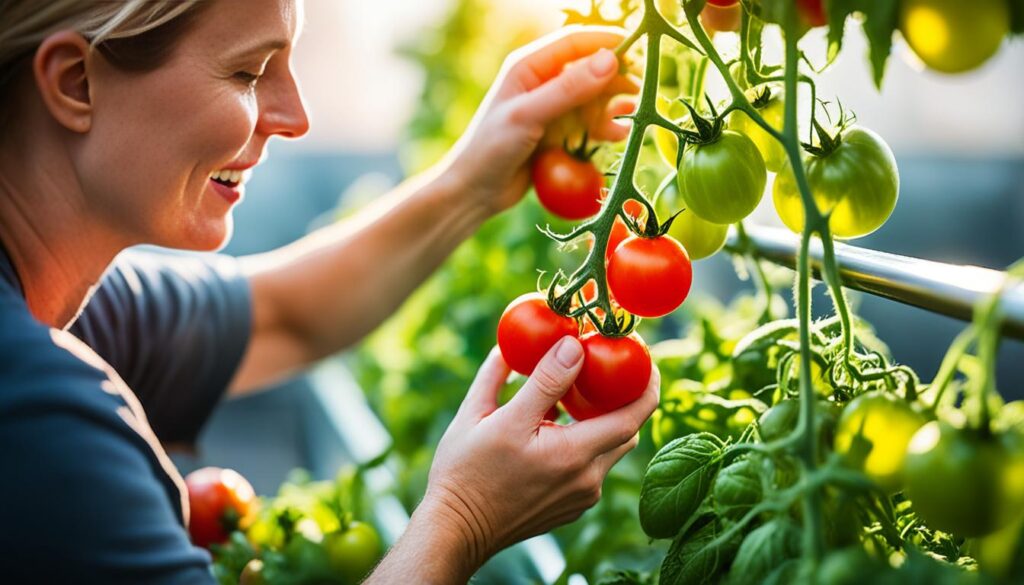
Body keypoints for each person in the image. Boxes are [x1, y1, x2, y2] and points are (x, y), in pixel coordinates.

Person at [0, 0, 659, 583]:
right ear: (76, 83)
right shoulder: (38, 419)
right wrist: (463, 518)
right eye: (250, 72)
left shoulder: (65, 313)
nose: (297, 118)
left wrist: (471, 182)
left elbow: (283, 317)